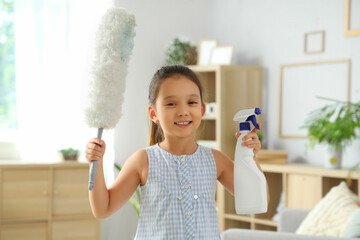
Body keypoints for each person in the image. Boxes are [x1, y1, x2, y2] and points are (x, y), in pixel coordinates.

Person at [85, 65, 268, 239]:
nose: (183, 111)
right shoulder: (143, 161)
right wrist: (97, 163)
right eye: (171, 104)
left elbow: (260, 199)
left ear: (202, 109)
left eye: (191, 102)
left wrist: (250, 156)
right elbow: (103, 209)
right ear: (153, 113)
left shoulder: (215, 159)